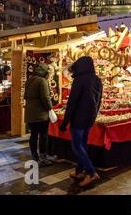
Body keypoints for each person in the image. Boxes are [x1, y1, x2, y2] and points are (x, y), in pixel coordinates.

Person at [59, 56, 103, 188]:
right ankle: (79, 171)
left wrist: (65, 122)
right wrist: (93, 115)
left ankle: (91, 172)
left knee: (77, 145)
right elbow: (99, 100)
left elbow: (72, 103)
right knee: (83, 144)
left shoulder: (79, 80)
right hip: (90, 118)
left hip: (78, 118)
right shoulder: (97, 79)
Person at [24, 63, 53, 166]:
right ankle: (43, 158)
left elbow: (25, 96)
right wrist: (50, 108)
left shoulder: (29, 80)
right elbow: (45, 97)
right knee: (43, 135)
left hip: (30, 113)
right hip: (40, 114)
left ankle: (34, 156)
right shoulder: (42, 81)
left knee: (33, 135)